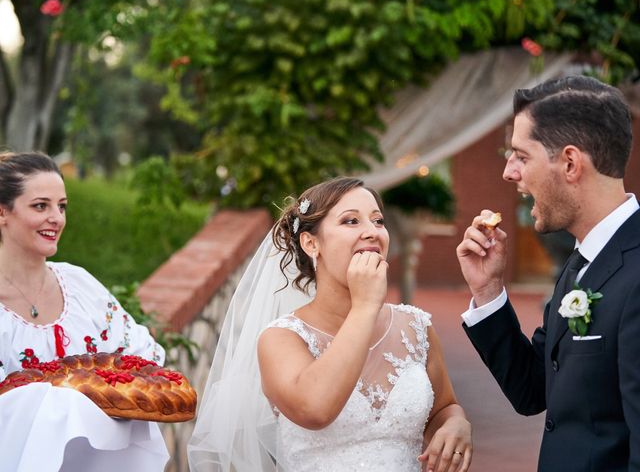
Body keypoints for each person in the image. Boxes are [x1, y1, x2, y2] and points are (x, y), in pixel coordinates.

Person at [188, 176, 472, 472]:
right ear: (311, 243)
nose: (372, 232)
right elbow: (315, 408)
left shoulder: (416, 328)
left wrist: (457, 424)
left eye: (378, 221)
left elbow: (444, 408)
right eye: (351, 221)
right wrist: (364, 307)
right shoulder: (280, 339)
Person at [456, 75, 640, 471]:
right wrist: (488, 291)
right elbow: (532, 391)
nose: (509, 172)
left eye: (521, 156)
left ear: (570, 163)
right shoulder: (581, 263)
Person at [0, 151, 168, 471]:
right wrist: (67, 400)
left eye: (61, 206)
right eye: (41, 206)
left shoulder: (79, 286)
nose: (57, 218)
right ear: (3, 212)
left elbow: (143, 356)